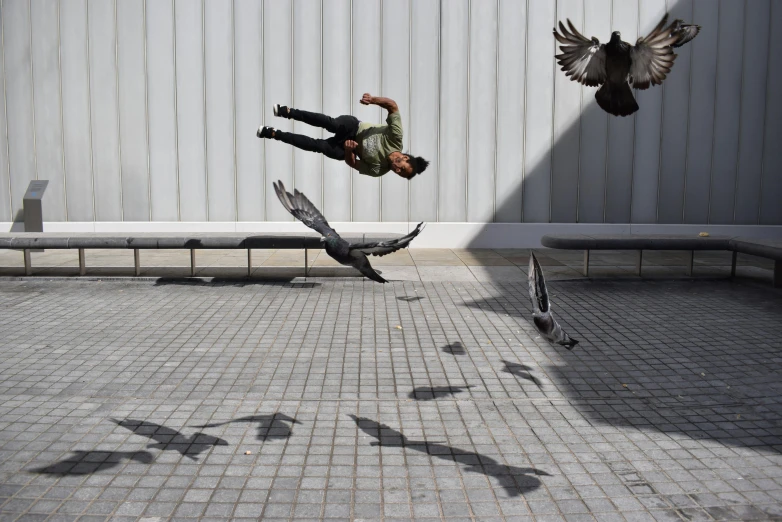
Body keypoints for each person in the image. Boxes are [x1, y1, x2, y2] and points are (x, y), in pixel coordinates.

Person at [256, 93, 429, 179]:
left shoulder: (379, 170)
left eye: (400, 174)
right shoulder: (395, 138)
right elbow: (392, 106)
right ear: (404, 157)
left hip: (348, 148)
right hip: (354, 127)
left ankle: (273, 133)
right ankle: (287, 112)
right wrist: (373, 100)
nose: (397, 170)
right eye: (402, 168)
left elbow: (352, 163)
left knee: (319, 147)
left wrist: (348, 150)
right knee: (332, 124)